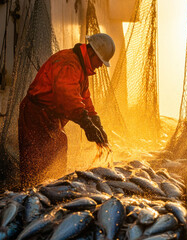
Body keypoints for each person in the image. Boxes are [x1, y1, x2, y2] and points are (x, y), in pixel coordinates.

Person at [18, 33, 115, 188]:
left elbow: (84, 98)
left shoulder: (80, 68)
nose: (101, 65)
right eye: (101, 61)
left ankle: (52, 190)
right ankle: (30, 193)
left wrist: (96, 122)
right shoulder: (69, 63)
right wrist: (86, 123)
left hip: (50, 118)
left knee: (58, 151)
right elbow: (67, 98)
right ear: (92, 53)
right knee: (36, 160)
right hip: (36, 116)